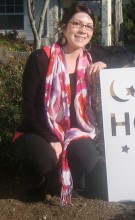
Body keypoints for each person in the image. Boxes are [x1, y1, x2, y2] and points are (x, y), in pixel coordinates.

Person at [12, 3, 107, 204]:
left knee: (86, 155)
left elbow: (126, 54)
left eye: (89, 26)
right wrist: (52, 138)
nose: (83, 30)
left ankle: (65, 186)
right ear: (63, 27)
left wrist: (105, 63)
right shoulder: (40, 58)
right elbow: (29, 111)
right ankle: (35, 189)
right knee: (41, 156)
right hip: (37, 130)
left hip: (72, 133)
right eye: (77, 24)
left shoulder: (90, 58)